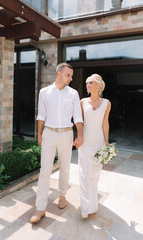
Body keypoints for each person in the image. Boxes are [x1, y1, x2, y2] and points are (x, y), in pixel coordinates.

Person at [30, 63, 83, 223]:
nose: (71, 78)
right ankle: (40, 208)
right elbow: (41, 115)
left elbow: (78, 117)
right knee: (45, 170)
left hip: (66, 134)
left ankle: (62, 195)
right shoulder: (44, 92)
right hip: (49, 133)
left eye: (71, 76)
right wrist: (39, 133)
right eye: (68, 75)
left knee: (65, 167)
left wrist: (80, 135)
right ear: (58, 74)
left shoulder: (73, 94)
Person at [76, 73, 111, 218]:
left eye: (90, 83)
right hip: (85, 144)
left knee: (94, 176)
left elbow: (105, 123)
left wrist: (107, 142)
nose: (87, 85)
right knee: (84, 175)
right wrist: (79, 137)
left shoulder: (107, 103)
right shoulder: (82, 102)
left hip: (99, 143)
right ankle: (85, 208)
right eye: (86, 83)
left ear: (98, 85)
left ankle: (92, 205)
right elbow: (79, 122)